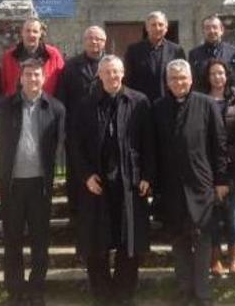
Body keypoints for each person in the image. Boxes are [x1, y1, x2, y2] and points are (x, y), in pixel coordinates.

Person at [70, 55, 154, 306]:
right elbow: (75, 145)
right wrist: (85, 176)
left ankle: (123, 295)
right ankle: (102, 295)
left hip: (129, 182)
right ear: (99, 75)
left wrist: (147, 176)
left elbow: (149, 142)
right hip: (97, 183)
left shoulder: (139, 102)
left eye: (116, 72)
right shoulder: (85, 105)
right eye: (107, 72)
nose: (112, 76)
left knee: (129, 242)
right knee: (96, 242)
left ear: (123, 73)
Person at [153, 59, 229, 306]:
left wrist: (221, 179)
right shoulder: (158, 107)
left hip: (201, 183)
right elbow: (153, 149)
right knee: (178, 238)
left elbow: (219, 145)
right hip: (171, 186)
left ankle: (203, 292)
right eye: (173, 78)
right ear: (167, 82)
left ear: (191, 79)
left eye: (182, 78)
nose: (178, 82)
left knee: (203, 238)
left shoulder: (206, 104)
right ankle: (185, 289)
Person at [0, 59, 66, 306]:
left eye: (37, 75)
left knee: (40, 240)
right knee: (12, 239)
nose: (33, 79)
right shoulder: (4, 107)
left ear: (44, 78)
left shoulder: (55, 108)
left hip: (40, 185)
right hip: (13, 184)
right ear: (20, 77)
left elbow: (60, 144)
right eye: (28, 75)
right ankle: (15, 291)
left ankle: (36, 290)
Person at [197, 59, 235, 278]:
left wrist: (230, 153)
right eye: (213, 74)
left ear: (227, 75)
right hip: (208, 166)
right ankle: (215, 258)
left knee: (232, 212)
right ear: (207, 77)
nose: (217, 77)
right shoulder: (199, 99)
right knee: (213, 214)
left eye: (221, 73)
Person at [58, 25, 107, 221]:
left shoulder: (113, 64)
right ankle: (78, 227)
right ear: (84, 41)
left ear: (104, 42)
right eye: (90, 39)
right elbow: (62, 99)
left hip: (106, 132)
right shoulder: (71, 66)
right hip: (78, 133)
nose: (94, 42)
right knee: (78, 182)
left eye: (99, 39)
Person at [124, 11, 185, 102]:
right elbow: (128, 80)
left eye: (161, 25)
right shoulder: (133, 50)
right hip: (141, 104)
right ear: (147, 28)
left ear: (166, 28)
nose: (157, 28)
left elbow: (182, 76)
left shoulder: (176, 51)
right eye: (153, 25)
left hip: (168, 103)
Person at [0, 17, 65, 98]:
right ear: (22, 33)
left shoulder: (53, 55)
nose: (31, 35)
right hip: (16, 106)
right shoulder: (9, 57)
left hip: (46, 105)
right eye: (28, 31)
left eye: (35, 31)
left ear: (40, 33)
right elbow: (3, 86)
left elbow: (63, 83)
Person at [188, 15, 235, 95]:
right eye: (207, 28)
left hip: (230, 101)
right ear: (203, 31)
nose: (211, 31)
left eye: (215, 27)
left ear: (222, 30)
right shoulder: (194, 54)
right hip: (203, 100)